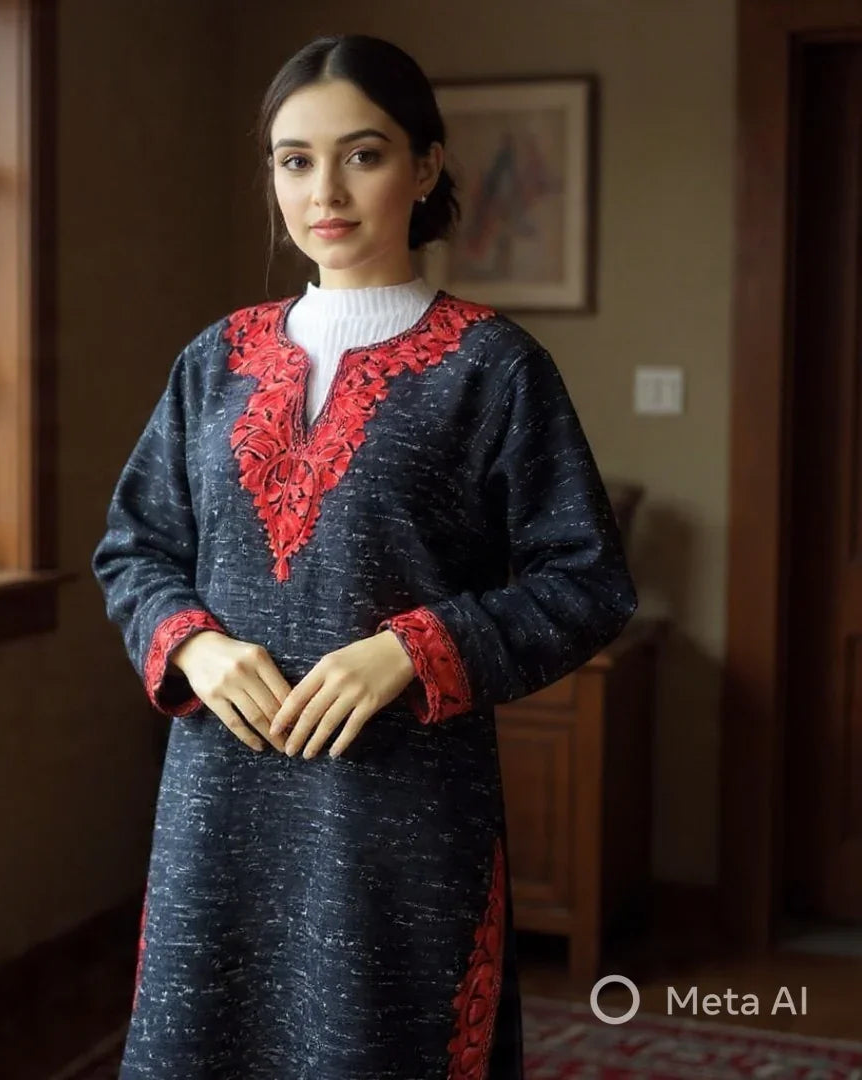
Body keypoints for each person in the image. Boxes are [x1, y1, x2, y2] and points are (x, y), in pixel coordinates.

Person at [92, 32, 637, 1080]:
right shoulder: (215, 359)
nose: (324, 190)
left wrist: (411, 649)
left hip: (399, 817)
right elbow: (136, 547)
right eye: (295, 160)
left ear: (426, 166)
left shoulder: (495, 366)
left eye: (363, 153)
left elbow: (588, 582)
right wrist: (194, 646)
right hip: (218, 809)